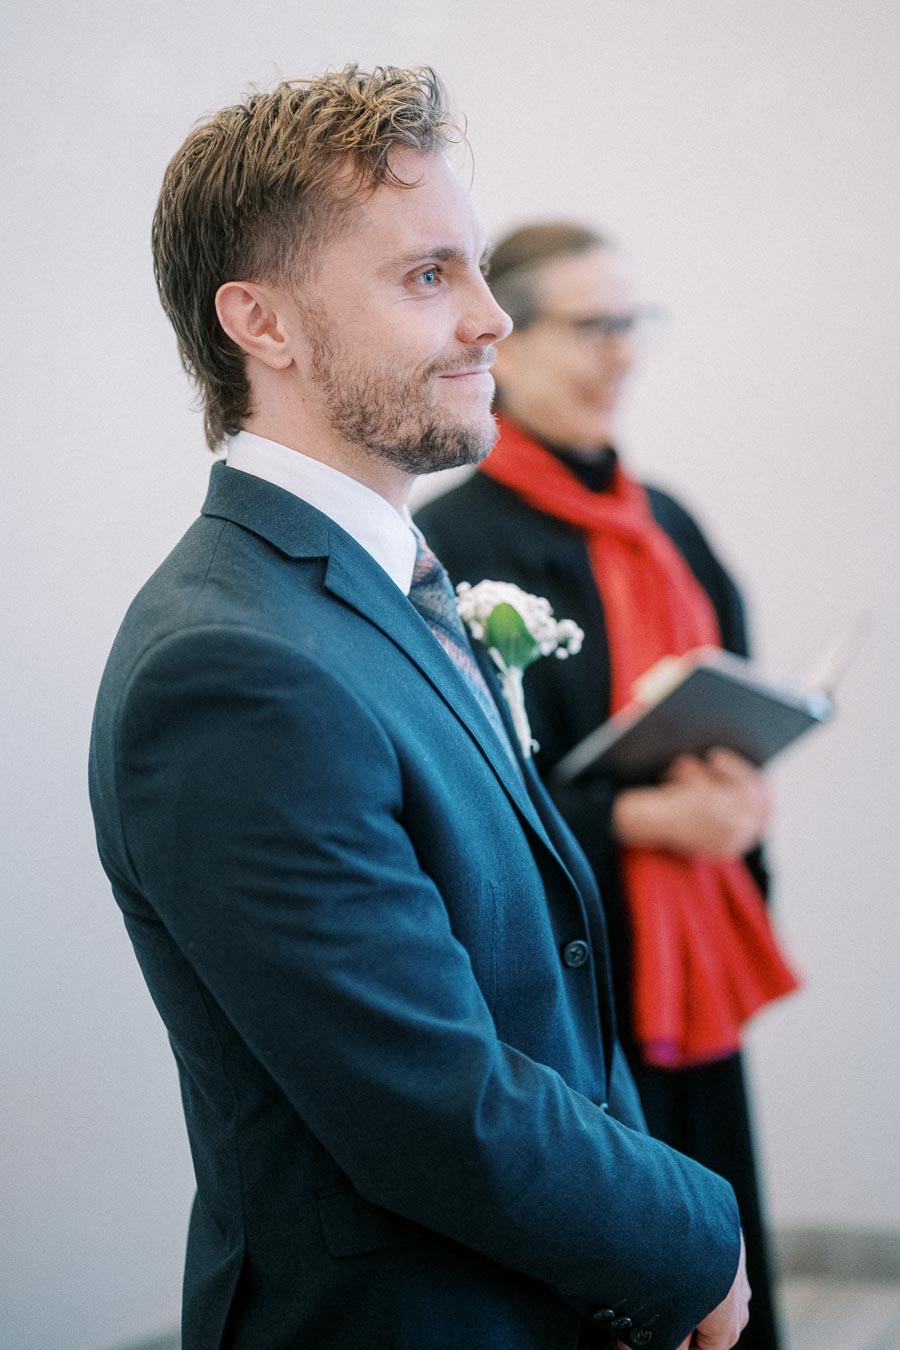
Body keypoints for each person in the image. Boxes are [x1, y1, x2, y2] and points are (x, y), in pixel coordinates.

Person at [89, 72, 750, 1350]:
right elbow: (424, 1094)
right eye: (427, 277)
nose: (494, 320)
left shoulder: (386, 584)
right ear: (263, 324)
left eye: (479, 270)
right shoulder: (227, 666)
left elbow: (543, 972)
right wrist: (688, 1237)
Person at [416, 222, 798, 1350]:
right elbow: (463, 798)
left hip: (693, 950)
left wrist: (739, 794)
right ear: (511, 344)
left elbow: (735, 714)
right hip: (568, 989)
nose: (622, 352)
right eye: (594, 326)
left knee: (725, 1253)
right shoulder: (453, 541)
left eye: (634, 324)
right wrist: (638, 816)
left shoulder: (668, 522)